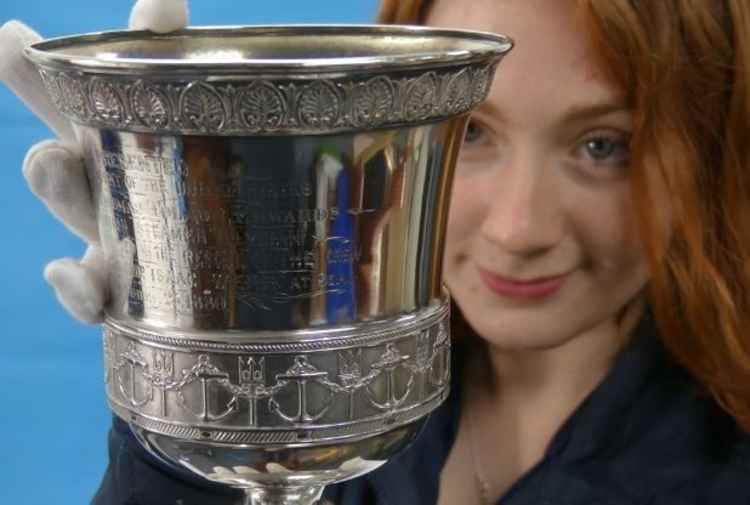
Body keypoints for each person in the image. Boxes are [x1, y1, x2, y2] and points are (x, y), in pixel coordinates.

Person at [2, 0, 750, 503]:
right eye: (475, 132)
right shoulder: (322, 400)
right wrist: (188, 387)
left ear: (713, 153)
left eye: (602, 145)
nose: (520, 229)